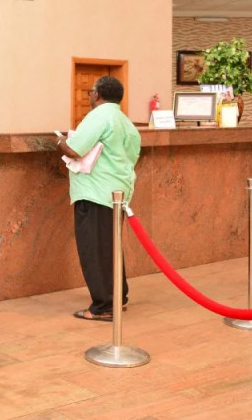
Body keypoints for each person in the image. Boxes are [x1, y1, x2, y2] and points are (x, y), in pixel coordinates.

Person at [56, 75, 140, 322]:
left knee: (94, 249)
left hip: (95, 191)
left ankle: (103, 306)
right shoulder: (125, 121)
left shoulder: (99, 116)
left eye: (91, 91)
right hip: (118, 191)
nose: (89, 96)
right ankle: (118, 297)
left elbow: (74, 150)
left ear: (98, 94)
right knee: (110, 247)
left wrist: (61, 141)